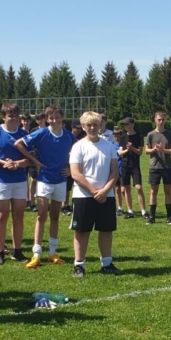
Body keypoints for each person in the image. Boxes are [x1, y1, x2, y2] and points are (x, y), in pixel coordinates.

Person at [15, 105, 75, 268]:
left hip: (61, 180)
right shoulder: (41, 133)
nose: (54, 120)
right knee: (41, 215)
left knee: (55, 215)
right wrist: (35, 161)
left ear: (62, 118)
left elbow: (79, 151)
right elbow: (19, 144)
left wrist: (71, 169)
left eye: (57, 117)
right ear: (47, 119)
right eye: (51, 118)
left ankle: (52, 253)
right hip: (44, 179)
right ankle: (36, 254)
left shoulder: (68, 136)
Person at [69, 111, 120, 278]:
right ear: (83, 126)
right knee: (82, 231)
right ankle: (79, 265)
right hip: (83, 196)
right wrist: (93, 191)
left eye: (95, 125)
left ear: (100, 126)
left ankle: (107, 263)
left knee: (106, 230)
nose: (92, 128)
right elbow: (76, 173)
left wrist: (104, 191)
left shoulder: (109, 146)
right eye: (88, 125)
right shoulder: (78, 146)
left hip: (107, 195)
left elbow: (114, 172)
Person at [0, 102, 30, 265]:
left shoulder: (23, 134)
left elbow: (30, 159)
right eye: (11, 116)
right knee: (1, 215)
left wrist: (17, 164)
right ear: (3, 117)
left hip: (19, 180)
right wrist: (3, 163)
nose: (14, 119)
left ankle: (17, 250)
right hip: (1, 179)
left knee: (18, 215)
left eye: (16, 116)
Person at [145, 111, 171, 225]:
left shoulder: (169, 134)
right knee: (153, 191)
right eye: (159, 119)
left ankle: (169, 217)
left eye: (162, 119)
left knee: (167, 191)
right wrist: (154, 150)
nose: (161, 122)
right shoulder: (150, 135)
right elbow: (146, 150)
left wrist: (163, 150)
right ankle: (152, 217)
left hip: (167, 166)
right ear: (155, 119)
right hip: (154, 166)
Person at [118, 117, 147, 220]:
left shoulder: (139, 136)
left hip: (135, 165)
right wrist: (127, 150)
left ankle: (143, 211)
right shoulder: (123, 137)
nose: (126, 126)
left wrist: (132, 148)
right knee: (126, 188)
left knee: (138, 187)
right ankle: (130, 211)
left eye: (127, 124)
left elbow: (140, 152)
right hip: (125, 165)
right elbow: (120, 152)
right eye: (124, 125)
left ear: (132, 124)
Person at [62, 119, 85, 215]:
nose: (79, 130)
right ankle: (64, 205)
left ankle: (73, 204)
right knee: (66, 187)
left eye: (80, 128)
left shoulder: (83, 137)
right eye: (77, 128)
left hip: (79, 165)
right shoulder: (67, 137)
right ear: (72, 127)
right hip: (67, 164)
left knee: (76, 185)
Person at [113, 129, 124, 215]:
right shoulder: (112, 146)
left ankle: (129, 207)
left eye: (118, 135)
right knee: (117, 189)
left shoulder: (123, 145)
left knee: (123, 190)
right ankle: (120, 207)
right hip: (116, 169)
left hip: (123, 169)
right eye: (115, 135)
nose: (117, 137)